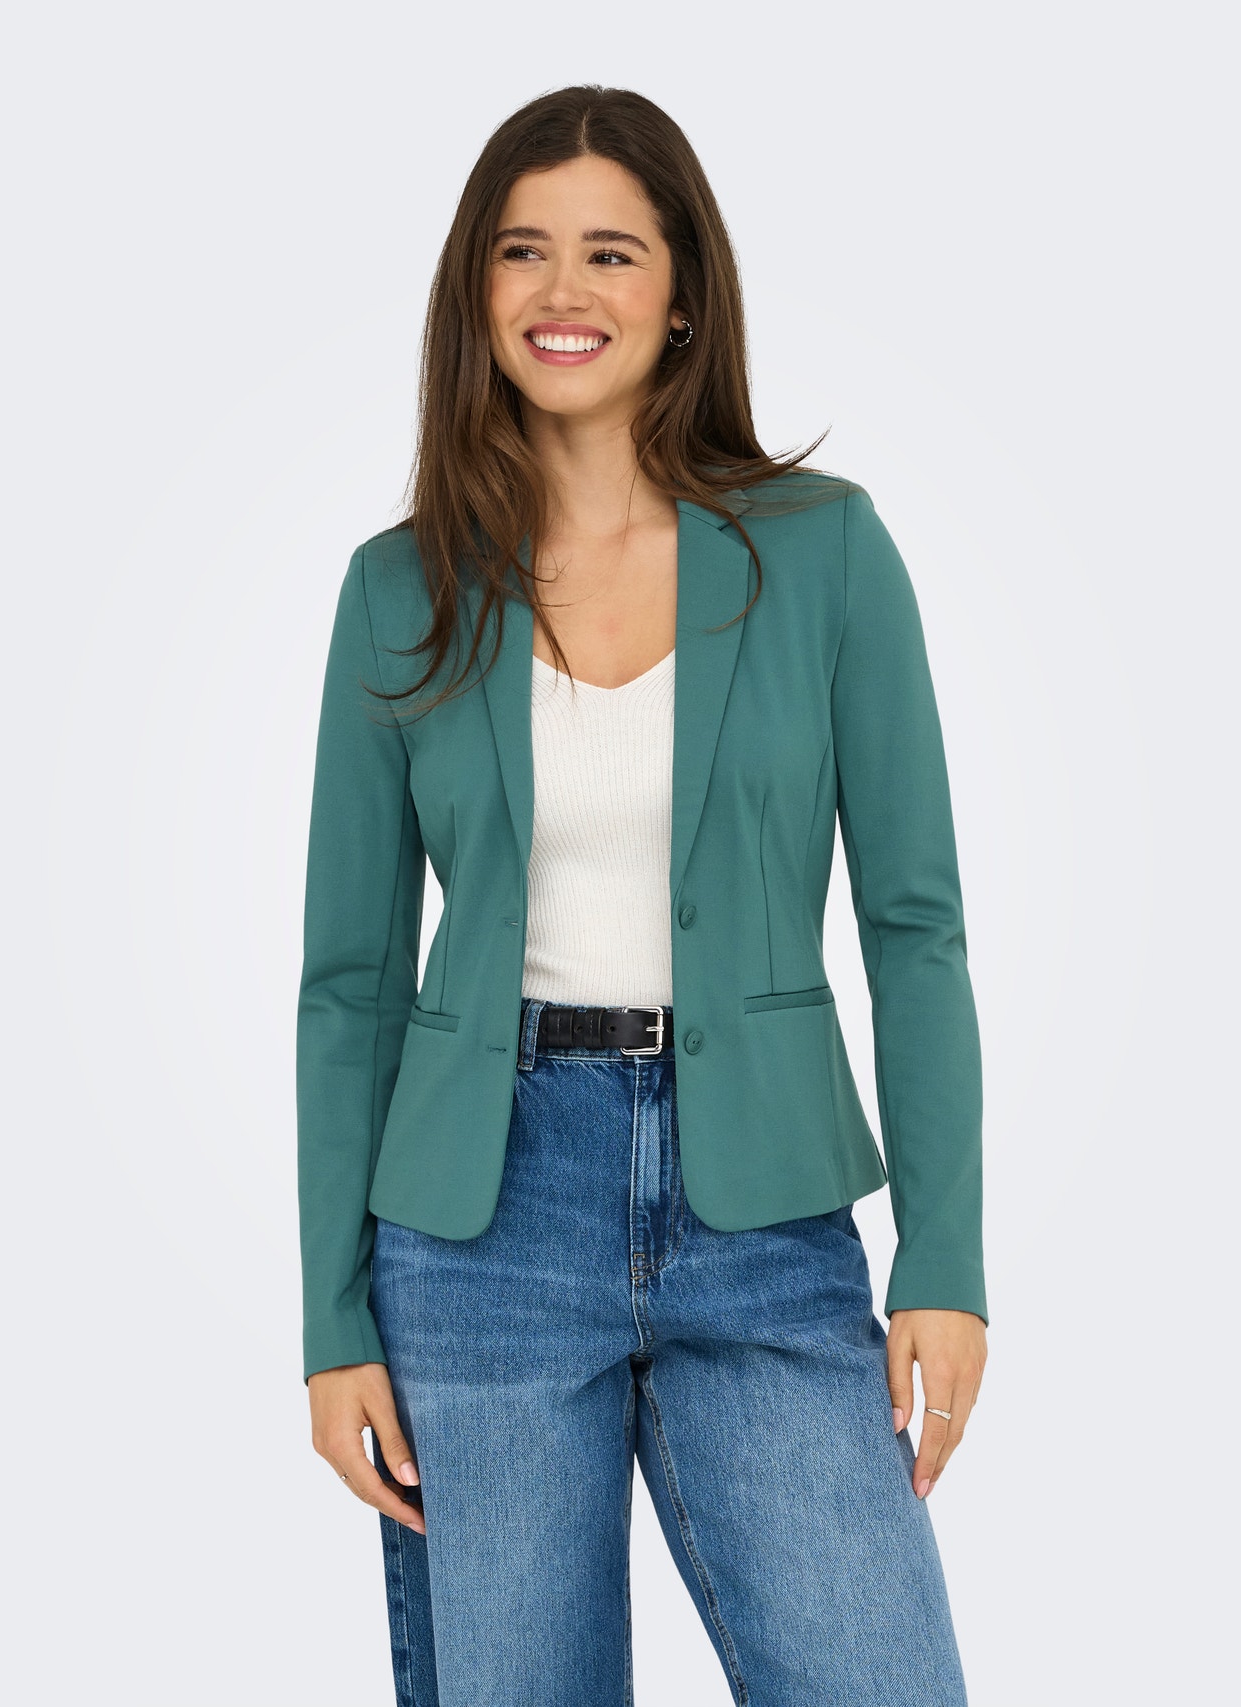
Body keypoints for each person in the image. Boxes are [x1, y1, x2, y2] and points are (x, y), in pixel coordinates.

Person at [296, 83, 988, 1707]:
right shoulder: (399, 590)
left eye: (611, 252)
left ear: (683, 294)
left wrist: (944, 1256)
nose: (564, 291)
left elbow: (916, 926)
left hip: (767, 1210)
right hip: (480, 1227)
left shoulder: (826, 555)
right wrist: (333, 1323)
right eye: (522, 251)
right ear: (476, 291)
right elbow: (350, 982)